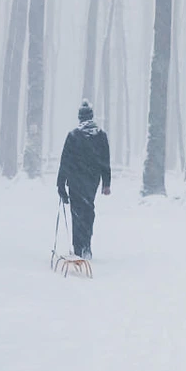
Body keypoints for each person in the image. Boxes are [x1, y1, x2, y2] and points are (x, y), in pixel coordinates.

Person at [56, 100, 111, 260]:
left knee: (77, 213)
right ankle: (86, 245)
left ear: (80, 118)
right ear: (92, 117)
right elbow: (105, 161)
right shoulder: (101, 136)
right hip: (92, 181)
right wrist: (106, 183)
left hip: (75, 180)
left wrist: (60, 185)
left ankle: (78, 247)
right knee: (88, 211)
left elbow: (65, 161)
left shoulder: (73, 136)